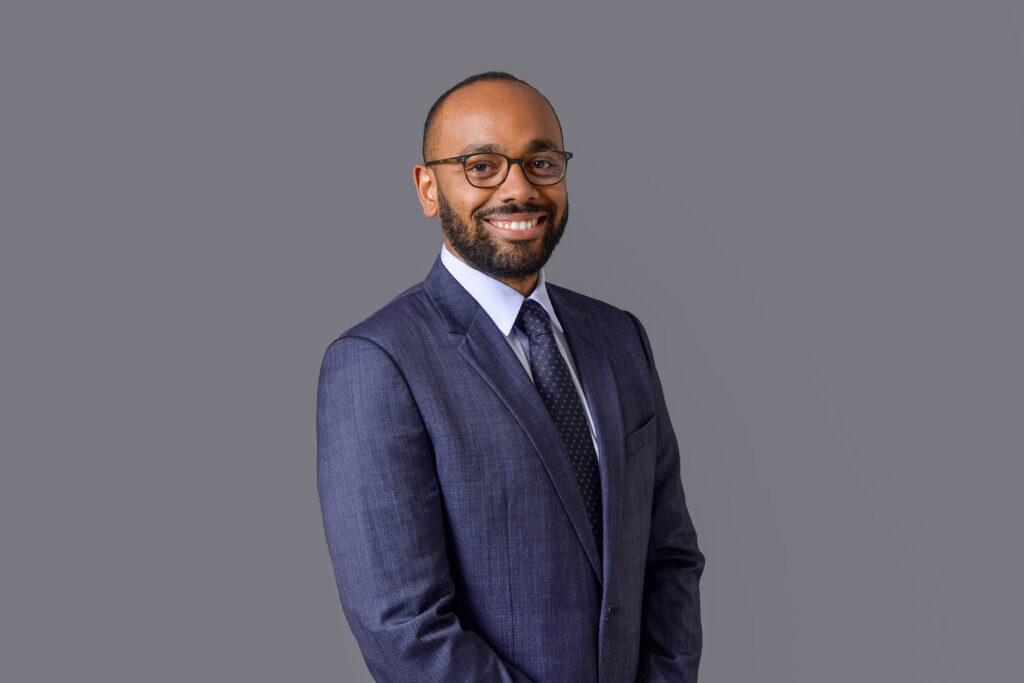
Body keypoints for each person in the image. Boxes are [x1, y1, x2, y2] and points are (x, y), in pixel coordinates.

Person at [317, 72, 704, 682]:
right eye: (481, 167)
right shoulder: (377, 361)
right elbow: (403, 629)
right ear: (428, 188)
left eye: (541, 163)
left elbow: (670, 557)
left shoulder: (619, 337)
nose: (519, 189)